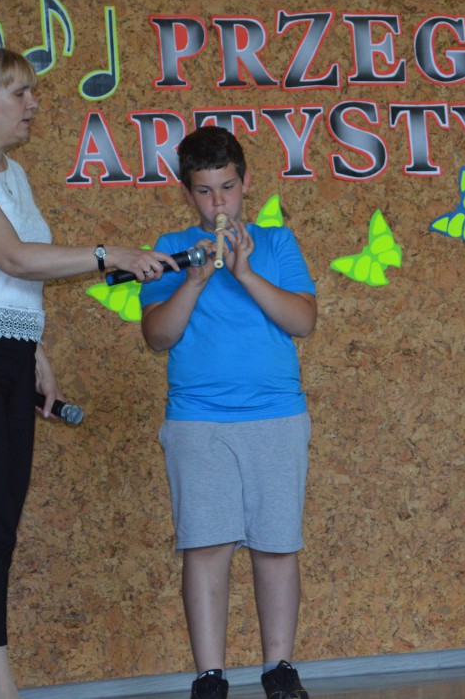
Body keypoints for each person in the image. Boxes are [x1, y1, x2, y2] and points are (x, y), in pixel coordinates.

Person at [0, 45, 177, 699]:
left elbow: (18, 284)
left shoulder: (15, 175)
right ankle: (2, 688)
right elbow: (13, 257)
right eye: (20, 93)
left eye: (33, 92)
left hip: (9, 354)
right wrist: (109, 253)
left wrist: (35, 353)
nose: (33, 104)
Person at [140, 125, 318, 699]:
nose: (218, 203)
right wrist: (194, 280)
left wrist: (243, 272)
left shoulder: (276, 243)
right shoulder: (172, 248)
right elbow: (158, 337)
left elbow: (303, 320)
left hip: (275, 414)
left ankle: (278, 668)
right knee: (206, 545)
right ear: (187, 192)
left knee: (276, 544)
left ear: (245, 183)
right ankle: (210, 677)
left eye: (227, 187)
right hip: (198, 419)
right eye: (204, 190)